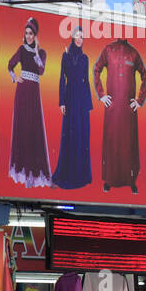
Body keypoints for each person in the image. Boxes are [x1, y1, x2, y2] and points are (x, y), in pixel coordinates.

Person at [93, 39, 146, 193]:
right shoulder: (108, 50)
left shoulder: (133, 53)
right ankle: (108, 181)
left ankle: (131, 180)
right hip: (112, 108)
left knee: (128, 144)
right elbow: (96, 69)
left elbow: (145, 75)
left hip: (128, 110)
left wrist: (139, 101)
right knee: (111, 142)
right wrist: (101, 94)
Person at [7, 18, 54, 188]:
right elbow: (10, 65)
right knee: (23, 127)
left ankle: (34, 174)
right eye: (26, 33)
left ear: (35, 35)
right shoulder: (20, 49)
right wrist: (15, 77)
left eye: (31, 34)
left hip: (34, 93)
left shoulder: (42, 53)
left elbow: (41, 71)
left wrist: (35, 52)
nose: (28, 36)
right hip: (22, 91)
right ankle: (23, 171)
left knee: (34, 128)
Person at [51, 27, 94, 189]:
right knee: (69, 134)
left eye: (82, 37)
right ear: (72, 37)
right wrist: (61, 101)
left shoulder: (85, 58)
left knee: (81, 135)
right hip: (69, 98)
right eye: (77, 35)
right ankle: (66, 174)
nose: (79, 38)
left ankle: (81, 175)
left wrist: (88, 105)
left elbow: (87, 80)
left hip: (81, 101)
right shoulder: (66, 56)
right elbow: (62, 78)